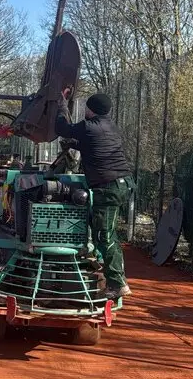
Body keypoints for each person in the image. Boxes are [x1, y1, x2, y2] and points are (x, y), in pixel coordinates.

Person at [55, 89, 134, 299]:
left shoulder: (88, 126)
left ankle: (117, 283)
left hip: (108, 187)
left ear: (90, 109)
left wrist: (61, 104)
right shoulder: (110, 126)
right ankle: (105, 267)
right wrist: (76, 144)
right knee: (104, 230)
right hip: (121, 183)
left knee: (103, 235)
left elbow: (62, 128)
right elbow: (96, 145)